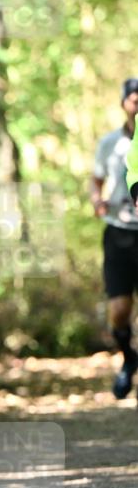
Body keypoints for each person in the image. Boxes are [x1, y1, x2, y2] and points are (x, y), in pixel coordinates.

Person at [90, 77, 138, 399]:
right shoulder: (110, 143)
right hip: (119, 234)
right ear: (124, 103)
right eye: (134, 99)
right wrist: (97, 200)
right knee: (119, 310)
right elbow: (96, 180)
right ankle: (128, 360)